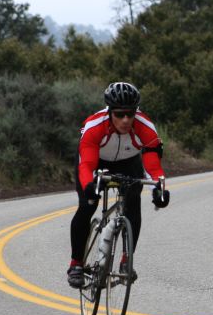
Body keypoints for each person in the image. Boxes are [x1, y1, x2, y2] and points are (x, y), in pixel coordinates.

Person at [67, 82, 170, 288]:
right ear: (110, 111)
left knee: (133, 202)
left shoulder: (145, 126)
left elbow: (152, 165)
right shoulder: (95, 126)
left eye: (130, 114)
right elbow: (86, 164)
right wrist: (89, 186)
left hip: (128, 162)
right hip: (96, 162)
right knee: (87, 205)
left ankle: (126, 260)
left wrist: (159, 188)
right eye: (120, 114)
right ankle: (76, 263)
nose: (126, 120)